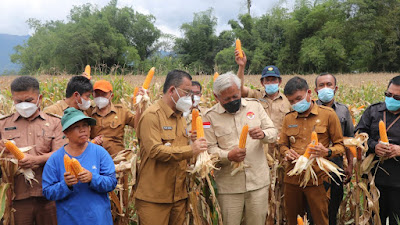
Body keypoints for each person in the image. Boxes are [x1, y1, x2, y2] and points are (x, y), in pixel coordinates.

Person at [203, 72, 278, 225]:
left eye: (235, 96)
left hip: (258, 183)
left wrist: (263, 134)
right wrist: (227, 155)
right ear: (216, 97)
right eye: (227, 99)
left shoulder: (255, 106)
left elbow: (273, 132)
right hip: (229, 187)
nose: (232, 101)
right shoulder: (209, 117)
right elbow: (209, 149)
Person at [135, 70, 207, 225]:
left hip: (178, 197)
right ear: (172, 90)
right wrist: (191, 150)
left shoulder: (181, 117)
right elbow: (155, 151)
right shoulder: (151, 116)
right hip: (154, 199)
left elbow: (177, 149)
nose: (190, 97)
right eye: (186, 92)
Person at [278, 77, 345, 225]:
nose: (296, 104)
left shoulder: (328, 114)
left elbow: (341, 146)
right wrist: (286, 152)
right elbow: (282, 145)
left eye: (299, 98)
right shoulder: (288, 119)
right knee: (294, 220)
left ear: (309, 93)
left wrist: (326, 152)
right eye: (291, 101)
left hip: (318, 180)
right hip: (292, 179)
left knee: (320, 219)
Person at [0, 76, 66, 225]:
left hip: (48, 195)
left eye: (28, 100)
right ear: (13, 99)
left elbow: (61, 152)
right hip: (17, 198)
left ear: (39, 98)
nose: (24, 105)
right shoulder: (3, 124)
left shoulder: (55, 122)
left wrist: (36, 160)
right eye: (18, 101)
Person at [42, 107, 117, 225]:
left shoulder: (100, 152)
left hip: (99, 219)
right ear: (66, 132)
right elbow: (48, 192)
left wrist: (93, 178)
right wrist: (65, 185)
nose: (83, 130)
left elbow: (112, 182)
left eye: (85, 125)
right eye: (77, 127)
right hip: (69, 219)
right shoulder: (55, 160)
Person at [356, 75, 400, 224]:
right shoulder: (373, 111)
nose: (391, 99)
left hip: (398, 183)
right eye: (388, 94)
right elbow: (358, 135)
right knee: (375, 219)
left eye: (397, 97)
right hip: (375, 180)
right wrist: (374, 146)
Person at [314, 73, 354, 225]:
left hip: (337, 165)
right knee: (315, 208)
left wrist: (350, 165)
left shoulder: (343, 111)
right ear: (316, 90)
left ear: (335, 88)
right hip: (315, 167)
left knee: (334, 205)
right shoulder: (309, 110)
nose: (325, 88)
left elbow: (350, 140)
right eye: (321, 85)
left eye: (329, 85)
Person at [88, 80, 143, 156]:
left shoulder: (122, 111)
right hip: (95, 157)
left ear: (111, 96)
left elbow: (138, 124)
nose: (100, 97)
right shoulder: (88, 112)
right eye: (97, 94)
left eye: (104, 94)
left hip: (117, 157)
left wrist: (140, 105)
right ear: (93, 95)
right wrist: (92, 141)